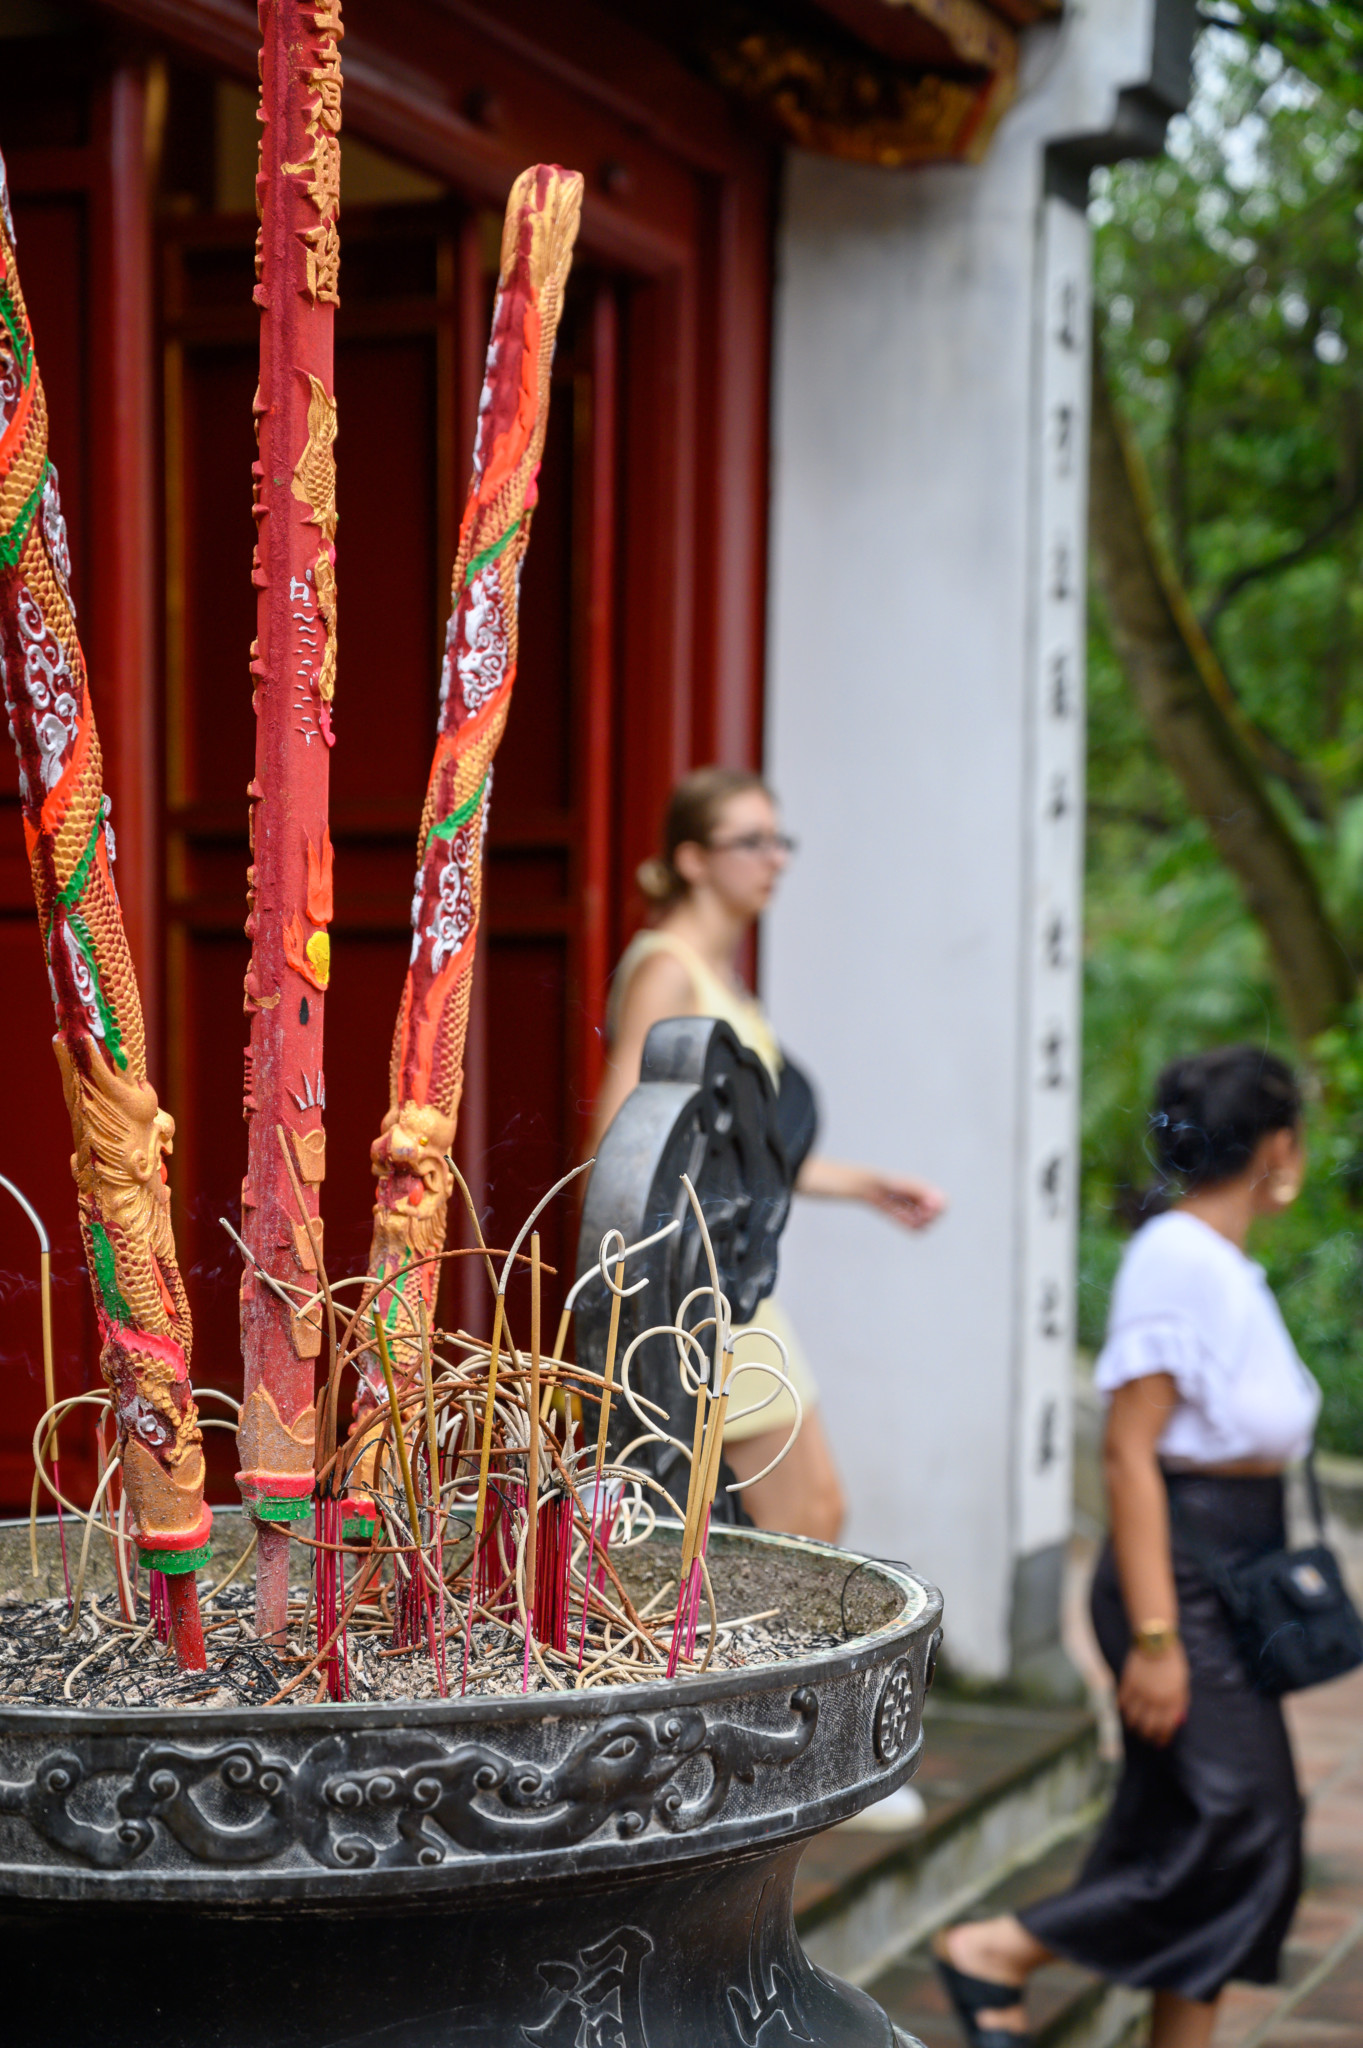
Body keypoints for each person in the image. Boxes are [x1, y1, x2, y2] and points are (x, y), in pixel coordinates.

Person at [934, 1046, 1320, 2048]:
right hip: (1180, 1580)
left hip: (1226, 1574)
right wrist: (1156, 1635)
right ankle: (998, 1949)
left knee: (1183, 1826)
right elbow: (1125, 1450)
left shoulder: (1219, 1261)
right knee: (1247, 1824)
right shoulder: (1179, 1259)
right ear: (1277, 1146)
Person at [590, 765, 946, 1543]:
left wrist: (867, 1186)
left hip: (730, 1275)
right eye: (749, 841)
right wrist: (637, 1293)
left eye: (778, 839)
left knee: (783, 1519)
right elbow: (622, 1146)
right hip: (697, 1285)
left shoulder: (718, 976)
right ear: (692, 859)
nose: (774, 858)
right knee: (803, 1516)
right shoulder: (666, 969)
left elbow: (740, 1158)